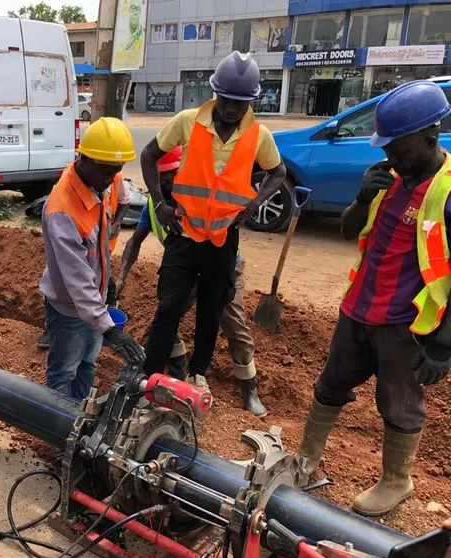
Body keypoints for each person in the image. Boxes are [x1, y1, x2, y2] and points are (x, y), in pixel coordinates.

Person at [294, 80, 451, 518]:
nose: (390, 157)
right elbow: (348, 230)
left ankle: (396, 480)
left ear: (430, 137)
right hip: (358, 310)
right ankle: (305, 461)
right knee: (329, 386)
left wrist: (443, 345)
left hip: (405, 323)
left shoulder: (446, 191)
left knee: (398, 403)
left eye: (397, 147)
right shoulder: (386, 180)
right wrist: (363, 197)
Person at [138, 51, 286, 390]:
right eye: (226, 99)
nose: (231, 108)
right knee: (169, 306)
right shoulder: (188, 121)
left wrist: (254, 204)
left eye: (239, 102)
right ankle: (149, 376)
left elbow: (277, 171)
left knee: (210, 312)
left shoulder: (258, 135)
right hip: (184, 235)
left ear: (250, 100)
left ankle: (196, 374)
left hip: (222, 240)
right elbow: (149, 154)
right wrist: (159, 204)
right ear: (215, 93)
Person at [114, 146, 266, 416]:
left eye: (173, 173)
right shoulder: (155, 204)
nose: (168, 179)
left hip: (222, 267)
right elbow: (135, 240)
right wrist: (122, 276)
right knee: (166, 318)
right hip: (184, 267)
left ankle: (248, 387)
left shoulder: (202, 192)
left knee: (232, 324)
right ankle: (178, 372)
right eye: (163, 175)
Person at [40, 116, 146, 401]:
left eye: (117, 170)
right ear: (84, 159)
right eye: (106, 171)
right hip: (70, 309)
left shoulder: (100, 182)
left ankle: (79, 416)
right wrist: (111, 332)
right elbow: (77, 281)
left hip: (93, 304)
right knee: (65, 372)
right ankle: (58, 430)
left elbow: (98, 245)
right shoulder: (63, 209)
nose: (111, 179)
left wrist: (107, 280)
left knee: (87, 364)